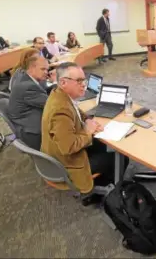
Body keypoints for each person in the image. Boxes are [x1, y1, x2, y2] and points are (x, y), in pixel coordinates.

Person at [41, 62, 124, 194]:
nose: (84, 84)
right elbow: (68, 147)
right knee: (118, 156)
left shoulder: (59, 95)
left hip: (63, 150)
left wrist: (88, 120)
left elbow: (75, 110)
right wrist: (88, 131)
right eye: (79, 81)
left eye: (84, 80)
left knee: (105, 145)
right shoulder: (60, 111)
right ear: (63, 83)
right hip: (67, 162)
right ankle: (109, 190)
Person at [7, 55, 49, 150]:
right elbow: (52, 104)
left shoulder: (24, 77)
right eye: (43, 69)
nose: (46, 72)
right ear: (31, 68)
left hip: (25, 120)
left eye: (47, 69)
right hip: (33, 132)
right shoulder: (28, 86)